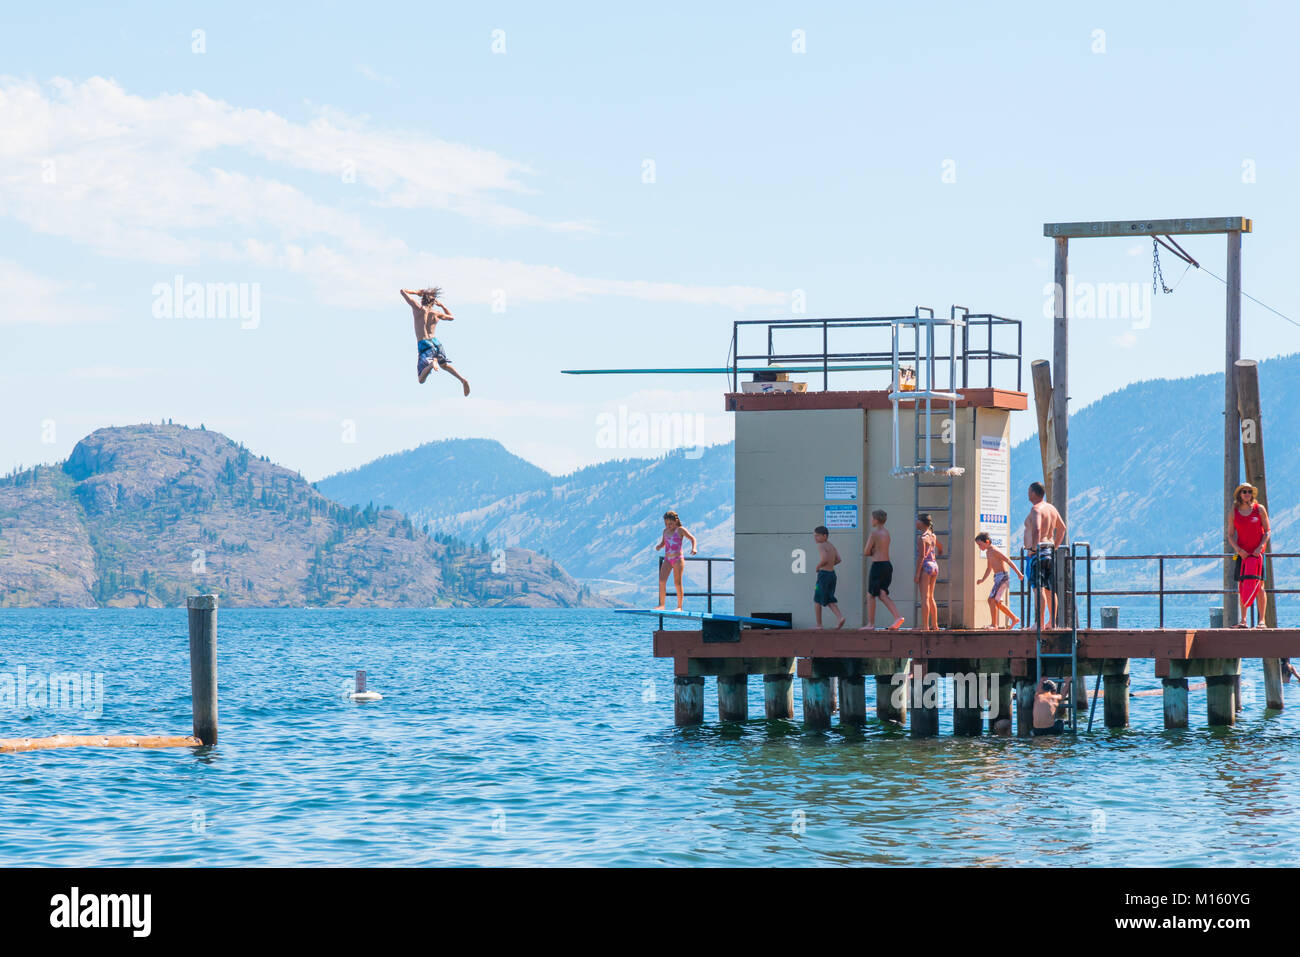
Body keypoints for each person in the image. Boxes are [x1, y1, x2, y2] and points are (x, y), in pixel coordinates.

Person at [401, 286, 471, 396]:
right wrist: (442, 305)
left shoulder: (417, 308)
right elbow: (451, 317)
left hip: (424, 343)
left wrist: (417, 292)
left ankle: (431, 364)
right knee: (444, 365)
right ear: (433, 302)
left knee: (421, 379)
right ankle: (462, 379)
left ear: (423, 298)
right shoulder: (436, 313)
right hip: (437, 343)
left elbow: (403, 291)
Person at [1023, 482, 1066, 629]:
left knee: (1038, 588)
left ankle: (1040, 623)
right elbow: (1062, 528)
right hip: (1049, 551)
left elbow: (1037, 528)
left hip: (1038, 553)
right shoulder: (1051, 508)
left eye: (1029, 491)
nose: (1028, 494)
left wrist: (1033, 547)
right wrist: (1055, 546)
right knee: (1049, 589)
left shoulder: (1036, 509)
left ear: (1034, 493)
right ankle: (1052, 622)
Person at [1228, 483, 1271, 628]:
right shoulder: (1234, 511)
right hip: (1243, 555)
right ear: (1239, 494)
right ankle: (1244, 620)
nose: (1247, 494)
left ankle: (1262, 620)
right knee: (1242, 586)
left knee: (1260, 587)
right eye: (1244, 491)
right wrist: (1238, 550)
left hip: (1257, 555)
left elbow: (1267, 531)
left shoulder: (1259, 509)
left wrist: (1260, 547)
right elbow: (1230, 535)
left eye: (1249, 491)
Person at [861, 509, 906, 630]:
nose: (871, 520)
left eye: (872, 518)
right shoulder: (886, 533)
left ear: (875, 520)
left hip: (878, 565)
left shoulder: (874, 533)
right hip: (887, 565)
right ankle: (897, 617)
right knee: (882, 594)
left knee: (870, 595)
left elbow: (866, 551)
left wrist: (872, 551)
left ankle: (871, 624)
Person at [975, 532, 1023, 628]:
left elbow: (1008, 560)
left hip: (1003, 577)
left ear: (987, 542)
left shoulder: (995, 550)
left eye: (980, 544)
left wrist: (1018, 573)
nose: (979, 547)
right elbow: (989, 568)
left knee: (991, 600)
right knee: (996, 602)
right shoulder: (988, 552)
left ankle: (994, 624)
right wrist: (982, 579)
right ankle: (1014, 618)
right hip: (998, 577)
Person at [653, 510, 697, 611]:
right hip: (668, 559)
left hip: (678, 559)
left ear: (676, 521)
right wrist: (659, 546)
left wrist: (694, 548)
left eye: (671, 524)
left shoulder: (680, 530)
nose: (668, 526)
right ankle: (662, 605)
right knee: (662, 581)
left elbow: (692, 539)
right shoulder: (665, 531)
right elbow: (664, 543)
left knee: (677, 583)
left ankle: (679, 607)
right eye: (666, 524)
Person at [812, 525, 846, 629]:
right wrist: (830, 565)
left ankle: (819, 625)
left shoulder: (821, 545)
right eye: (814, 536)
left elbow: (825, 559)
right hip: (832, 575)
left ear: (825, 536)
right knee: (829, 598)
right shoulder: (831, 545)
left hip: (823, 576)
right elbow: (839, 559)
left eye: (817, 536)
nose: (815, 538)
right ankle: (840, 617)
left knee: (816, 598)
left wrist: (818, 567)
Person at [914, 513, 942, 630]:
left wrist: (917, 574)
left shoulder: (922, 538)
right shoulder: (933, 536)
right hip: (935, 565)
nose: (915, 522)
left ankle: (925, 626)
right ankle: (935, 625)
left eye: (917, 520)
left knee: (924, 598)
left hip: (926, 566)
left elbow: (921, 557)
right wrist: (940, 550)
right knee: (931, 597)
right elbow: (940, 546)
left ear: (922, 523)